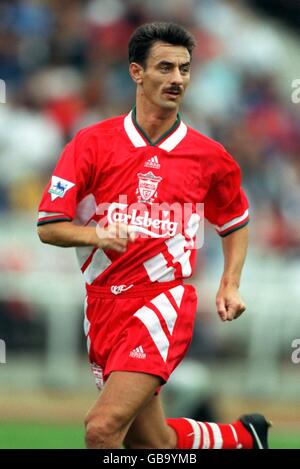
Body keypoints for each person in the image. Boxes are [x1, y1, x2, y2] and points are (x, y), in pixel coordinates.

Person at [37, 22, 271, 449]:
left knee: (102, 429)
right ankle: (242, 439)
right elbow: (48, 227)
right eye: (165, 67)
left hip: (163, 301)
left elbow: (235, 220)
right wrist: (98, 237)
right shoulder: (91, 144)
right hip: (103, 305)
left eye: (184, 69)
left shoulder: (209, 155)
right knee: (152, 444)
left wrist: (230, 283)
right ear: (136, 72)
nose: (177, 79)